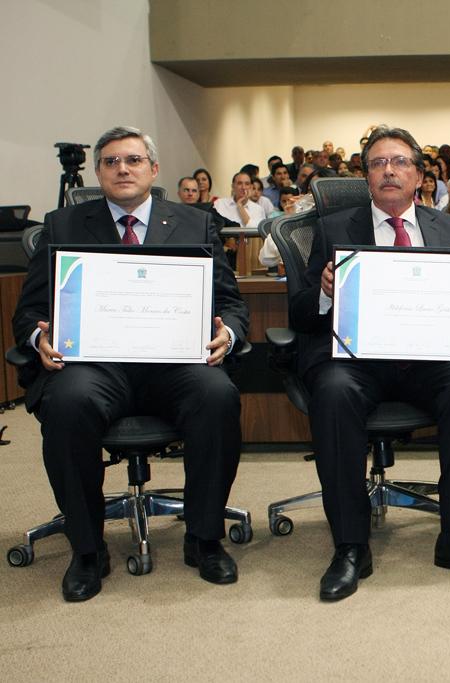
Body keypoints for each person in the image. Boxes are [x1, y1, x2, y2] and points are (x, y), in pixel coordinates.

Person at [12, 126, 250, 602]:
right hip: (95, 366)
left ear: (153, 169)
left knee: (217, 395)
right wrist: (40, 335)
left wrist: (230, 332)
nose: (123, 168)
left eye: (134, 160)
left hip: (173, 363)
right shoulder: (63, 225)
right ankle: (87, 549)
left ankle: (203, 538)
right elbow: (29, 310)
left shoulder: (195, 222)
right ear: (98, 172)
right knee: (66, 402)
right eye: (112, 161)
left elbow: (230, 300)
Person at [290, 126, 450, 601]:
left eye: (399, 162)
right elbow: (299, 310)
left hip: (426, 359)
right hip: (357, 360)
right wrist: (326, 293)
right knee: (332, 390)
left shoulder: (447, 228)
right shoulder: (333, 228)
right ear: (366, 177)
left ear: (418, 176)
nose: (388, 170)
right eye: (376, 163)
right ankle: (351, 546)